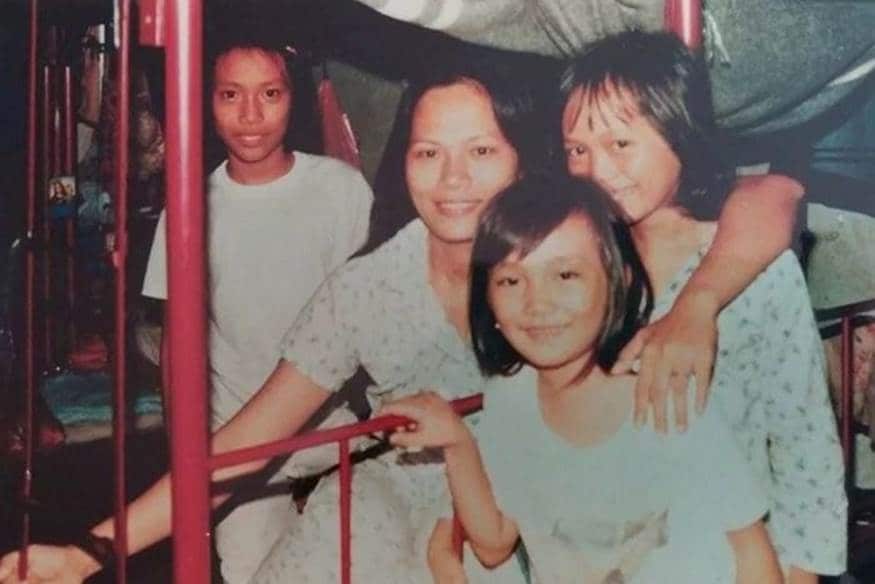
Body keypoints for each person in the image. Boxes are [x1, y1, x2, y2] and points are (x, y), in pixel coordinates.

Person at [0, 52, 801, 583]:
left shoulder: (576, 238)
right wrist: (90, 549)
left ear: (524, 158)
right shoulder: (370, 289)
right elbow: (242, 446)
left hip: (552, 514)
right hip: (416, 509)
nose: (451, 181)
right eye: (427, 152)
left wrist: (696, 305)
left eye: (480, 151)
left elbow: (771, 196)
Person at [384, 172, 783, 583]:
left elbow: (752, 555)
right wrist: (457, 442)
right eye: (510, 280)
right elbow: (494, 542)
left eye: (565, 275)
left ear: (618, 283)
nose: (536, 303)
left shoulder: (663, 394)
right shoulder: (511, 398)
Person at [559, 30, 846, 582]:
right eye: (578, 150)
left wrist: (801, 572)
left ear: (679, 134)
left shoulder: (754, 271)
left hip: (737, 560)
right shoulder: (579, 273)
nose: (597, 170)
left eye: (620, 143)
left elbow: (803, 442)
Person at [141, 29, 373, 583]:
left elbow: (376, 316)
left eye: (269, 94)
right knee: (250, 572)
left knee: (363, 562)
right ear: (207, 102)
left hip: (333, 426)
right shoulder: (191, 207)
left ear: (293, 100)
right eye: (230, 95)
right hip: (235, 438)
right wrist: (185, 454)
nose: (250, 115)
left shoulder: (342, 191)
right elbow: (178, 340)